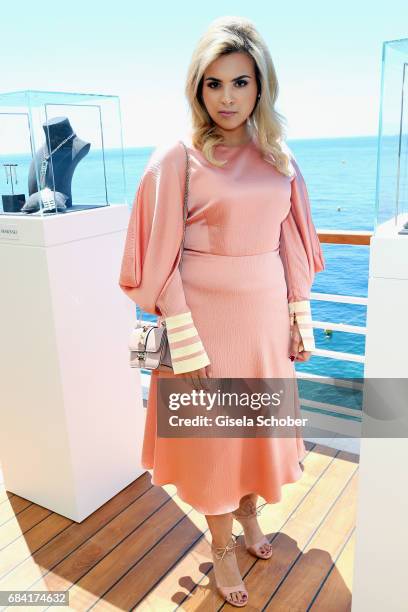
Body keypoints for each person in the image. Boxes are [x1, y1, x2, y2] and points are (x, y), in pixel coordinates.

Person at [119, 15, 325, 608]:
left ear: (261, 86)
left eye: (240, 82)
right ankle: (221, 548)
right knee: (213, 443)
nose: (227, 97)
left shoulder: (279, 156)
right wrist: (183, 337)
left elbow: (293, 243)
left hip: (262, 317)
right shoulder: (175, 159)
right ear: (196, 88)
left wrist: (297, 317)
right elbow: (158, 260)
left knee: (250, 432)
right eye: (214, 83)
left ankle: (251, 518)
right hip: (201, 320)